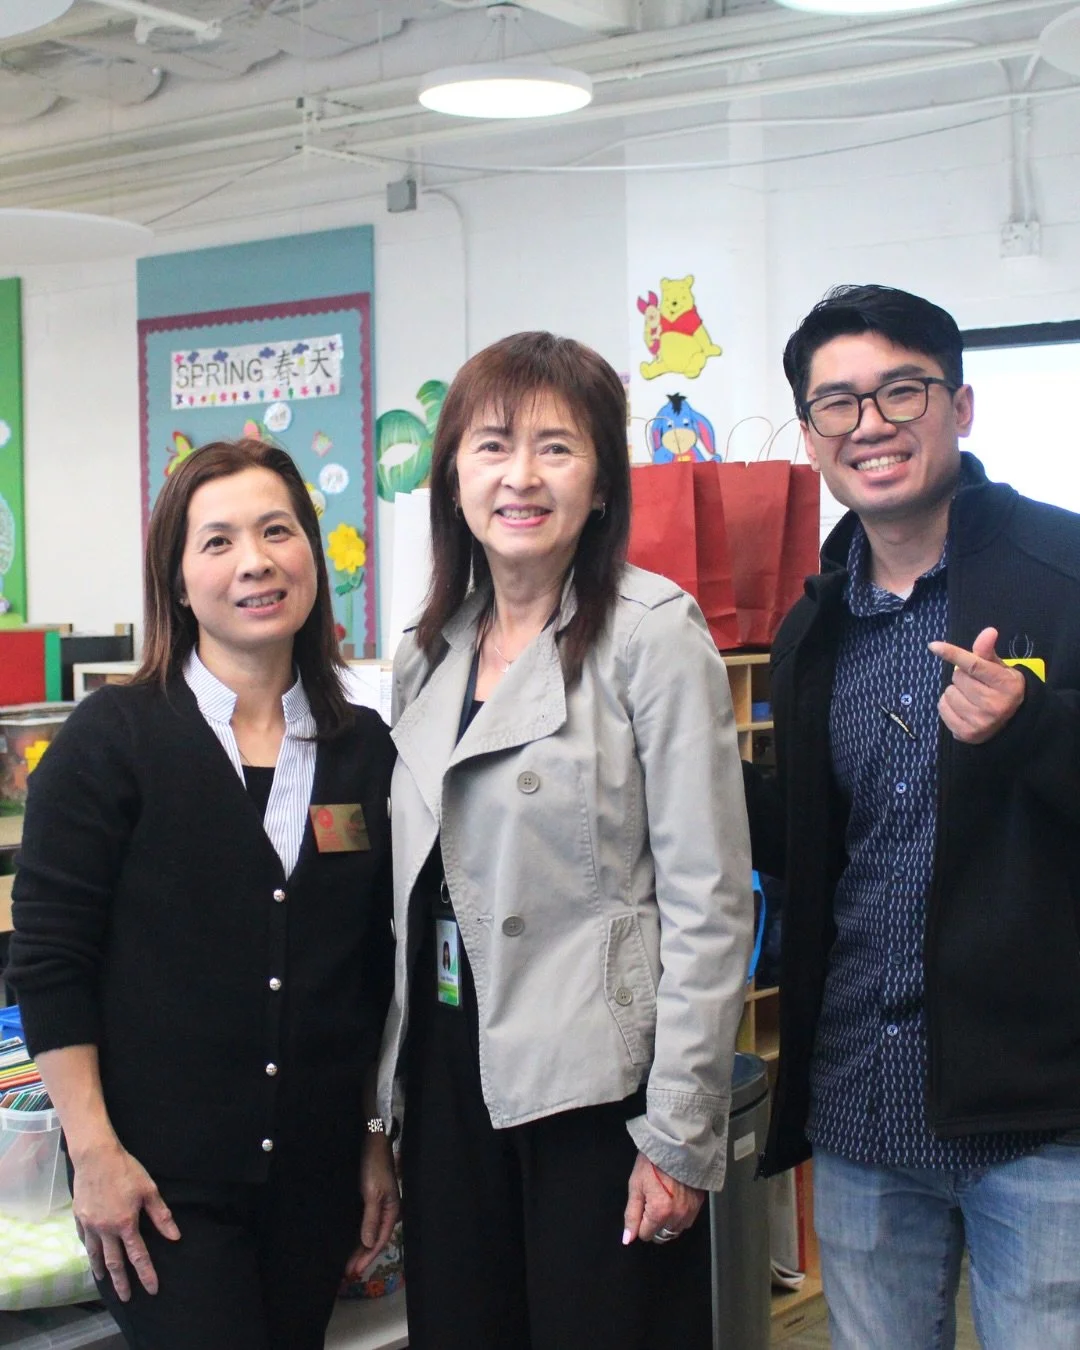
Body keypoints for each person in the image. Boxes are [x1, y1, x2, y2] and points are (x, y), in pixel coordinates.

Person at [377, 331, 753, 1350]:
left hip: (596, 1081)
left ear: (601, 485)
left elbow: (710, 904)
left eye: (557, 447)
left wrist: (678, 1134)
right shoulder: (427, 654)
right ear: (453, 474)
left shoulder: (652, 635)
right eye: (493, 445)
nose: (522, 476)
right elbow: (406, 903)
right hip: (451, 1074)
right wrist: (382, 1113)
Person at [744, 285, 1080, 1349]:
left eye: (902, 390)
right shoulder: (811, 628)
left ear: (962, 405)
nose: (871, 424)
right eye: (837, 404)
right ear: (810, 435)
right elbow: (811, 849)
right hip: (859, 1105)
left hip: (1041, 1117)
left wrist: (1033, 727)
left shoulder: (1062, 575)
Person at [7, 440, 399, 1350]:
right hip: (157, 1184)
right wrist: (93, 1152)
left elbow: (372, 968)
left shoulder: (365, 752)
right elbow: (50, 959)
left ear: (311, 555)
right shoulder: (114, 738)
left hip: (314, 1175)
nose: (254, 561)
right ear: (178, 582)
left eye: (276, 531)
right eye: (216, 542)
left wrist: (373, 1136)